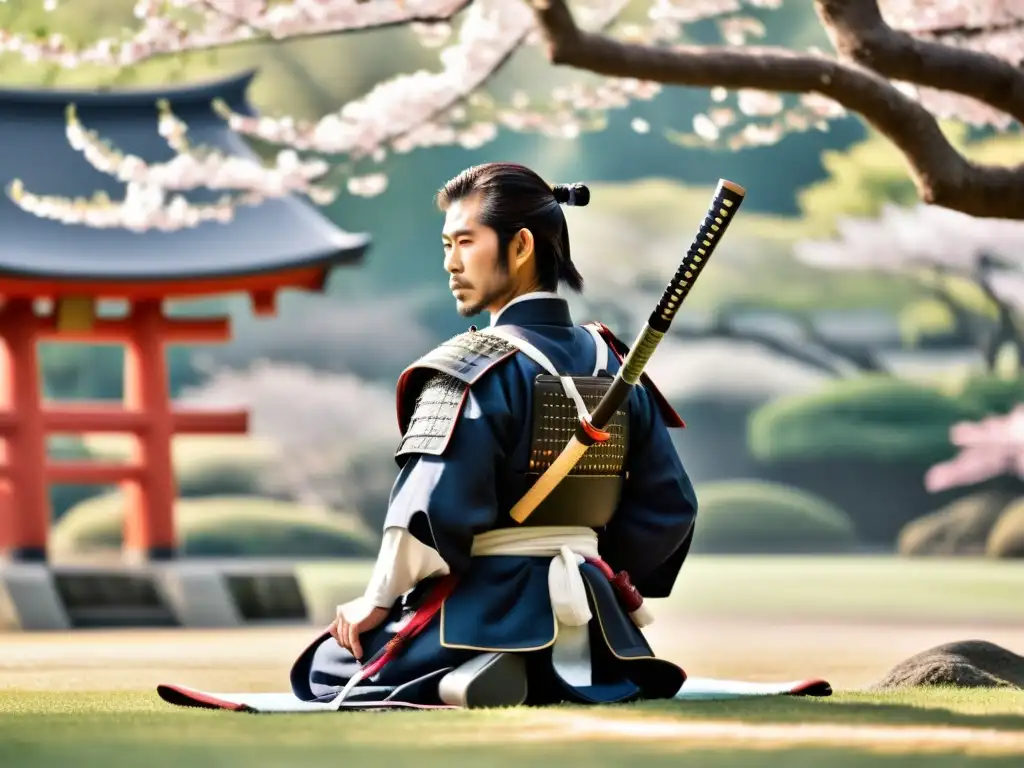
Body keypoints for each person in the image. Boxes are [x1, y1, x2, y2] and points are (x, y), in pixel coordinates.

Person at [288, 162, 699, 709]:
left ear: (522, 245)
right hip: (602, 621)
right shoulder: (616, 363)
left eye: (465, 242)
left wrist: (379, 598)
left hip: (483, 607)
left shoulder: (470, 364)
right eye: (446, 245)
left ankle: (484, 665)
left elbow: (432, 507)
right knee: (593, 655)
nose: (451, 263)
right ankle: (560, 662)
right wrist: (600, 569)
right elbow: (670, 507)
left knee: (327, 665)